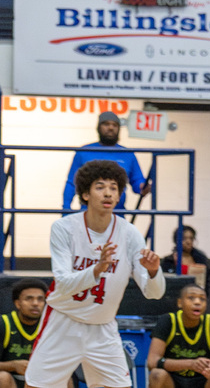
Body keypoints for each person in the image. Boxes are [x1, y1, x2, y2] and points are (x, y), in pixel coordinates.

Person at [24, 160, 165, 388]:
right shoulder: (64, 228)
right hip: (63, 321)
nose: (108, 193)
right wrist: (96, 270)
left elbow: (153, 294)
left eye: (113, 188)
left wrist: (153, 271)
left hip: (103, 326)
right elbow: (63, 283)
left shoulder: (129, 234)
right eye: (100, 187)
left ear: (119, 196)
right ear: (85, 194)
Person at [147, 284, 210, 388]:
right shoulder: (168, 321)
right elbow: (152, 362)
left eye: (202, 299)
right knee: (157, 374)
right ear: (180, 303)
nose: (197, 302)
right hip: (172, 380)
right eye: (191, 298)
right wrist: (190, 364)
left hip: (203, 379)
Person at [63, 111, 150, 211]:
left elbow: (137, 180)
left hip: (117, 214)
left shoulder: (128, 154)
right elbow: (71, 183)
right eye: (106, 124)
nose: (111, 128)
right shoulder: (84, 152)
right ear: (99, 127)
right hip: (88, 214)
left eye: (115, 125)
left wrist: (142, 186)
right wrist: (65, 209)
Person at [0, 279, 46, 388]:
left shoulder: (50, 326)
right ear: (17, 303)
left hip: (39, 380)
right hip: (10, 380)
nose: (35, 303)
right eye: (29, 299)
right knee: (2, 377)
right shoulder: (4, 324)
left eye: (40, 299)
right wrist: (13, 365)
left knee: (64, 378)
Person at [161, 225, 210, 289]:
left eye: (191, 238)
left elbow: (206, 281)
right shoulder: (168, 261)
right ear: (176, 240)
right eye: (184, 239)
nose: (188, 242)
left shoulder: (200, 259)